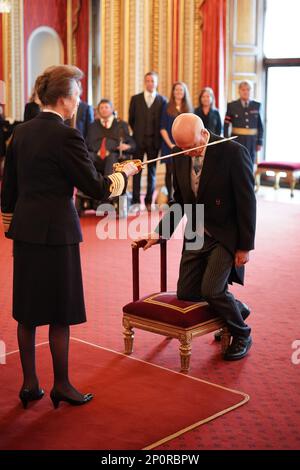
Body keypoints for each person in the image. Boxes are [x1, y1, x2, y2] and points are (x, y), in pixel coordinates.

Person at [1, 65, 138, 409]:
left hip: (26, 231)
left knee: (28, 311)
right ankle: (61, 384)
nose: (79, 100)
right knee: (60, 311)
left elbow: (9, 188)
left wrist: (10, 224)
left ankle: (31, 384)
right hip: (58, 233)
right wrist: (124, 174)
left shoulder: (21, 132)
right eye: (77, 94)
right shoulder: (67, 136)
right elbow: (95, 186)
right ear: (63, 99)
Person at [136, 113, 256, 361]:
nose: (188, 154)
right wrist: (159, 233)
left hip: (225, 235)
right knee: (188, 293)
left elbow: (247, 203)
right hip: (195, 232)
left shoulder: (232, 152)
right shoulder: (179, 154)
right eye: (182, 149)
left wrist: (244, 247)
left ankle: (241, 333)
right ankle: (236, 308)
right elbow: (178, 202)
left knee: (212, 290)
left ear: (204, 134)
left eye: (191, 148)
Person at [128, 71, 166, 212]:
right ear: (145, 82)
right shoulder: (136, 99)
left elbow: (163, 121)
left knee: (152, 172)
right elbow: (131, 120)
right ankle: (136, 201)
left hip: (154, 142)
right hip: (138, 141)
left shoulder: (162, 101)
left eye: (153, 81)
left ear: (157, 83)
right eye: (148, 80)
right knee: (136, 171)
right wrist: (138, 133)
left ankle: (149, 201)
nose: (150, 83)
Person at [160, 81, 193, 203]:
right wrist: (171, 145)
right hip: (169, 145)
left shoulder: (189, 108)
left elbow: (192, 127)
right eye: (176, 90)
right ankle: (170, 197)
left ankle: (181, 197)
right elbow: (162, 128)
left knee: (182, 172)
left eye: (181, 90)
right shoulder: (166, 106)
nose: (178, 92)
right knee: (169, 172)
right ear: (173, 92)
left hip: (184, 146)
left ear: (184, 93)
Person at [86, 98, 136, 176]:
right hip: (96, 156)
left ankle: (109, 186)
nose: (104, 110)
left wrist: (128, 147)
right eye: (101, 108)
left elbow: (132, 144)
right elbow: (87, 144)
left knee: (112, 158)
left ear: (112, 109)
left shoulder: (121, 125)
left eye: (106, 107)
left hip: (114, 157)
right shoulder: (93, 125)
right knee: (87, 157)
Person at [224, 80, 263, 165]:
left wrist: (259, 141)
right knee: (236, 162)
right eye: (243, 89)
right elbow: (226, 125)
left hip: (251, 141)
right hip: (237, 139)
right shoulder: (232, 105)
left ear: (251, 91)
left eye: (248, 89)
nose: (246, 92)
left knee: (250, 162)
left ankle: (249, 178)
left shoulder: (257, 105)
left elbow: (260, 126)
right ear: (239, 91)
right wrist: (226, 140)